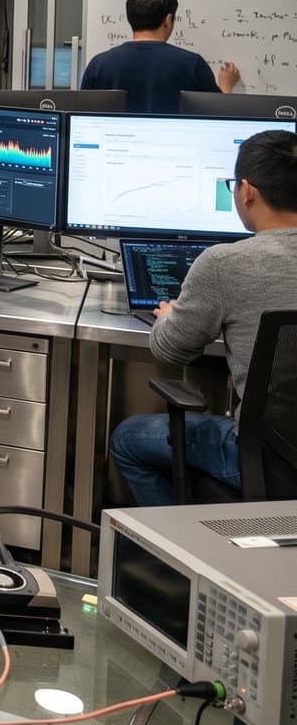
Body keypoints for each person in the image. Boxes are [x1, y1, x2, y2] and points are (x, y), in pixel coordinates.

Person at [110, 129, 297, 504]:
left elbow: (170, 351)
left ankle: (181, 553)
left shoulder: (225, 263)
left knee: (128, 439)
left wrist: (168, 315)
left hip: (267, 460)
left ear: (246, 192)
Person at [78, 0, 240, 114]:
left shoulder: (99, 64)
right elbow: (218, 113)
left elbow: (83, 114)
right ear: (168, 20)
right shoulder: (191, 63)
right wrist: (226, 87)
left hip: (114, 150)